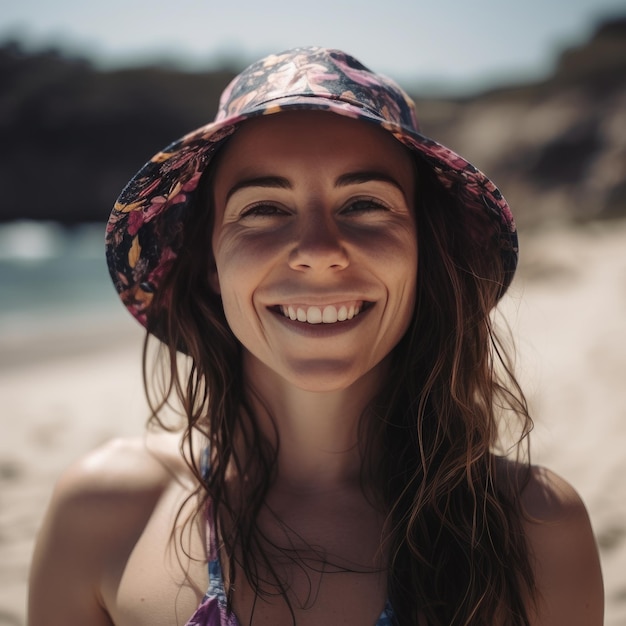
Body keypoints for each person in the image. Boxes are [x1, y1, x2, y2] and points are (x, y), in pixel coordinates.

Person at [28, 47, 603, 626]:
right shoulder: (104, 514)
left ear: (426, 254)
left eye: (363, 203)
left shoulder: (535, 527)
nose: (319, 251)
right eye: (265, 209)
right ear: (210, 263)